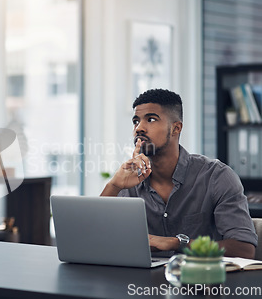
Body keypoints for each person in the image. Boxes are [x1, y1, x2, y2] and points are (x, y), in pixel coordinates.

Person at [101, 89, 257, 259]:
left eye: (151, 120)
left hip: (202, 282)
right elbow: (95, 237)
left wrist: (177, 243)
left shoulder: (217, 177)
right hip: (140, 282)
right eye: (135, 121)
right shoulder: (128, 180)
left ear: (176, 128)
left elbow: (244, 249)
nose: (139, 128)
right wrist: (114, 186)